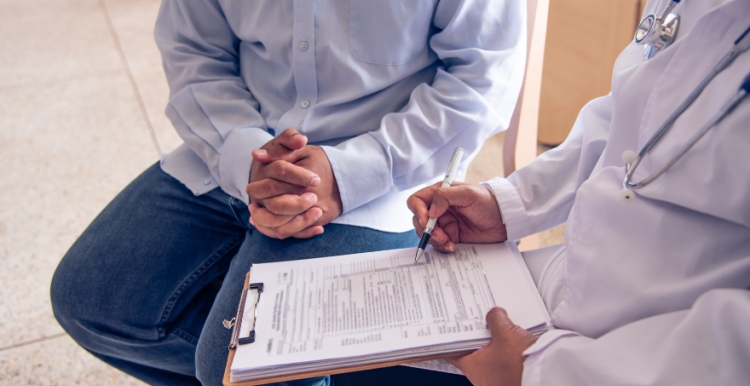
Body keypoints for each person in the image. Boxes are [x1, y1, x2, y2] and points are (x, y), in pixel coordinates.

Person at [50, 1, 526, 385]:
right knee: (90, 301)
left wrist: (350, 172)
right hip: (237, 145)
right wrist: (250, 160)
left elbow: (482, 79)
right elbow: (193, 51)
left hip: (383, 172)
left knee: (235, 369)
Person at [407, 0, 750, 385]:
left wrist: (545, 376)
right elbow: (630, 120)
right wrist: (510, 204)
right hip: (566, 277)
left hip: (648, 359)